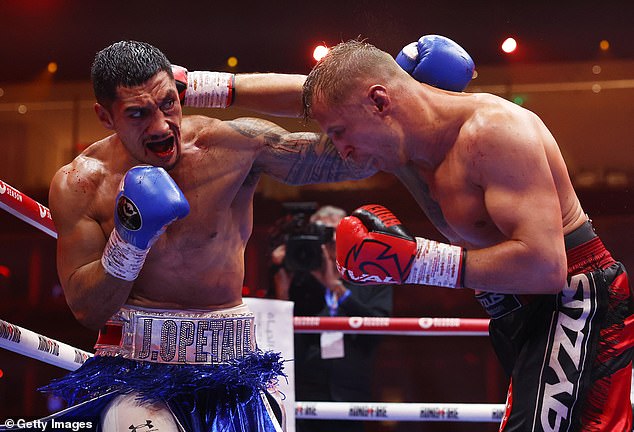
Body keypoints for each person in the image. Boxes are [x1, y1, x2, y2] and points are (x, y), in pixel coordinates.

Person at [34, 40, 378, 432]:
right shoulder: (80, 183)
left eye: (168, 103)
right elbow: (86, 310)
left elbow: (354, 158)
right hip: (136, 376)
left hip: (234, 368)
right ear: (105, 116)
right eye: (137, 113)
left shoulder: (229, 146)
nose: (161, 126)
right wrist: (129, 241)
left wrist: (217, 87)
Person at [302, 38, 634, 431]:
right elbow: (296, 99)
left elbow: (546, 267)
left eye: (340, 132)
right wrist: (218, 88)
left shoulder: (492, 132)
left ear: (379, 102)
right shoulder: (408, 148)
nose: (341, 150)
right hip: (519, 309)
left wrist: (419, 262)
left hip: (571, 297)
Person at [270, 205, 392, 432]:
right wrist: (282, 281)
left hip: (350, 390)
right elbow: (274, 333)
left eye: (334, 234)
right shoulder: (299, 277)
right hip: (303, 390)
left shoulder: (373, 276)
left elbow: (377, 330)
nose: (329, 243)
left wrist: (335, 287)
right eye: (322, 235)